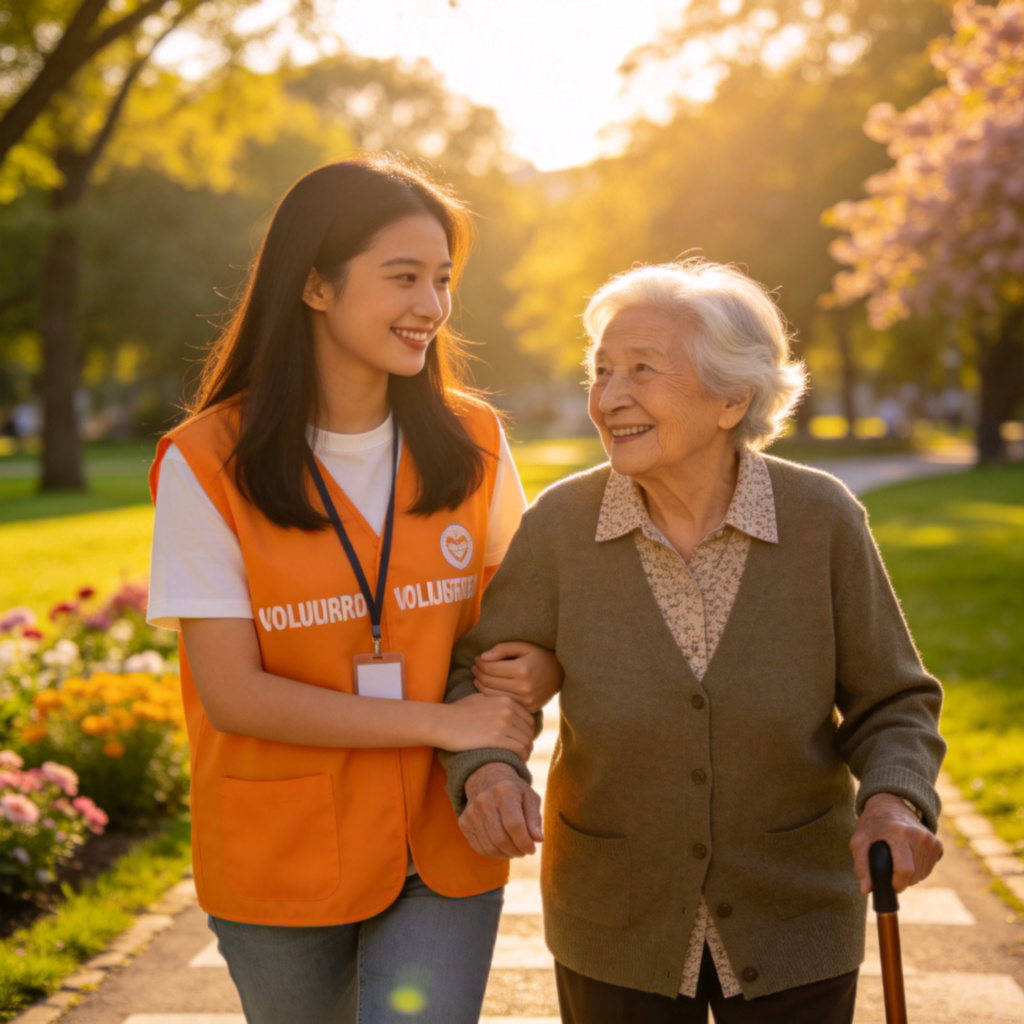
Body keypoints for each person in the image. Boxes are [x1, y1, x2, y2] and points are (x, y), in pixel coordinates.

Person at [442, 259, 946, 1024]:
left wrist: (893, 802)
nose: (609, 398)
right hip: (614, 918)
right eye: (602, 370)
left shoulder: (821, 519)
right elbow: (478, 680)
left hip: (795, 915)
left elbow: (894, 702)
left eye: (642, 370)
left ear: (732, 399)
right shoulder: (561, 526)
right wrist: (488, 774)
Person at [146, 156, 561, 1024]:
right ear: (315, 287)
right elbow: (234, 694)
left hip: (444, 836)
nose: (432, 307)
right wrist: (439, 721)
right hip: (279, 853)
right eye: (403, 277)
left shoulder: (476, 440)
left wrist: (528, 686)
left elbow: (518, 635)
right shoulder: (204, 463)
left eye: (442, 280)